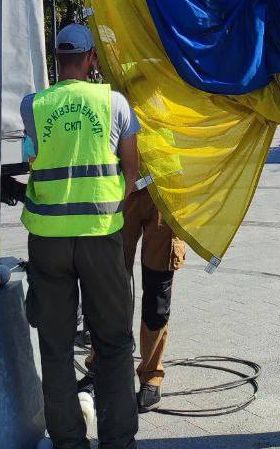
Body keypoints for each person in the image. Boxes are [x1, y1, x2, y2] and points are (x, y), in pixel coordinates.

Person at [21, 23, 139, 449]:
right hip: (100, 235)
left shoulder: (32, 105)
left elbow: (35, 154)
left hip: (47, 240)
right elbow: (132, 172)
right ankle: (118, 441)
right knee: (113, 341)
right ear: (91, 59)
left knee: (54, 345)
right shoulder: (115, 104)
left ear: (57, 60)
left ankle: (69, 441)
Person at [121, 184, 186, 410]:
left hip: (164, 190)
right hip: (120, 187)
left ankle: (151, 375)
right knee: (108, 288)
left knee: (157, 296)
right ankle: (99, 367)